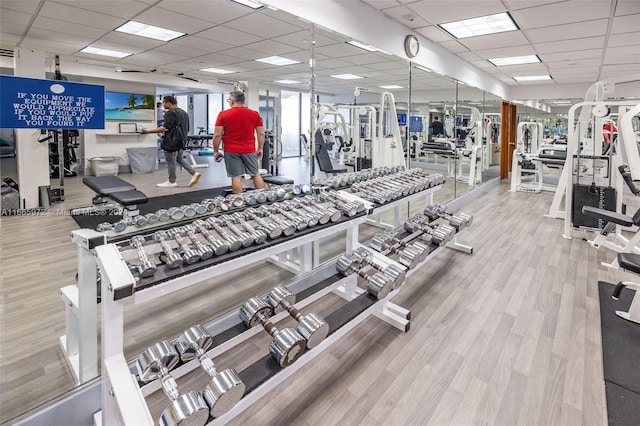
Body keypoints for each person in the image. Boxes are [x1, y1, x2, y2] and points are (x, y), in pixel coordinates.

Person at [139, 95, 201, 188]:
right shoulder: (184, 113)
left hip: (172, 142)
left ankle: (171, 181)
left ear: (168, 102)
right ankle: (194, 173)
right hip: (181, 141)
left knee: (170, 161)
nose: (163, 105)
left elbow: (165, 128)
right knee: (179, 159)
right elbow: (187, 128)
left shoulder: (170, 113)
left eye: (164, 102)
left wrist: (148, 132)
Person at [212, 91, 265, 194]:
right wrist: (260, 148)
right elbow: (261, 133)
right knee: (255, 174)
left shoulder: (223, 114)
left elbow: (217, 135)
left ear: (232, 101)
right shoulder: (255, 114)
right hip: (249, 149)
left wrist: (215, 150)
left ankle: (239, 202)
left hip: (231, 150)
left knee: (236, 177)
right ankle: (263, 198)